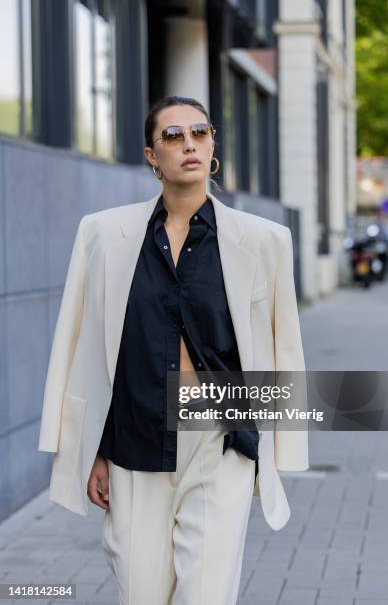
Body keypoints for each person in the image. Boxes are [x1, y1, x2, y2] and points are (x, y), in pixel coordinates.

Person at [38, 95, 309, 605]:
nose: (189, 145)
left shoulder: (265, 240)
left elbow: (284, 346)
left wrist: (282, 447)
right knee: (141, 591)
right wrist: (90, 446)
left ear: (213, 148)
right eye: (173, 136)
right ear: (150, 155)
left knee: (204, 595)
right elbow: (77, 343)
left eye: (200, 133)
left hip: (221, 440)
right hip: (134, 439)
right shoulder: (103, 234)